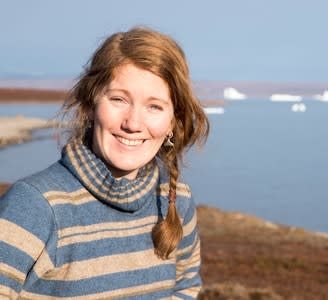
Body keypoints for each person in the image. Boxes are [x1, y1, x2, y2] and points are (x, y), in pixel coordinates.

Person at [0, 27, 209, 299]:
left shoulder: (176, 201)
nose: (133, 124)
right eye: (118, 100)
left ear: (172, 121)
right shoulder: (35, 206)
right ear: (90, 105)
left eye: (154, 106)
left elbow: (185, 288)